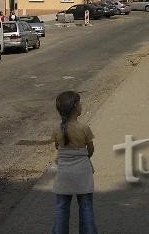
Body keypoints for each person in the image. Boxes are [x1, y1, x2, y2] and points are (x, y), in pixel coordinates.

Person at [52, 91, 97, 234]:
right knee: (86, 207)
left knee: (62, 206)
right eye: (80, 102)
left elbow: (57, 146)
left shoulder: (56, 128)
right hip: (82, 172)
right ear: (75, 106)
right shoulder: (84, 128)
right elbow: (90, 149)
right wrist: (85, 157)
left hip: (64, 172)